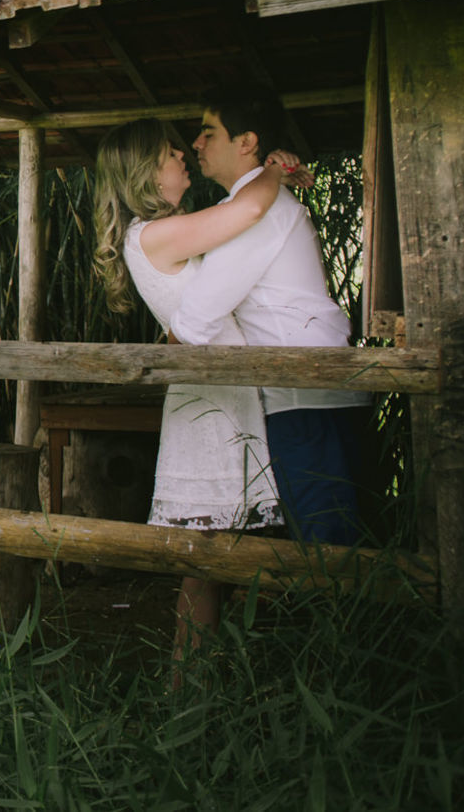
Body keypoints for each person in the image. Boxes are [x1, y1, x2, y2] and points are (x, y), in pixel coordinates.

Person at [93, 117, 307, 657]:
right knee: (204, 560)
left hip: (220, 399)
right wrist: (273, 171)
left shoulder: (161, 232)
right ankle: (187, 686)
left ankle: (196, 686)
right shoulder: (153, 233)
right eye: (170, 153)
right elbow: (249, 209)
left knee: (211, 563)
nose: (183, 156)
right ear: (145, 172)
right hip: (210, 410)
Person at [169, 85, 368, 549]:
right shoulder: (242, 208)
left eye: (208, 133)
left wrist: (163, 353)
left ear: (246, 142)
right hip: (307, 393)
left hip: (308, 397)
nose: (196, 144)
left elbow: (197, 318)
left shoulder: (260, 211)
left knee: (330, 551)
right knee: (327, 546)